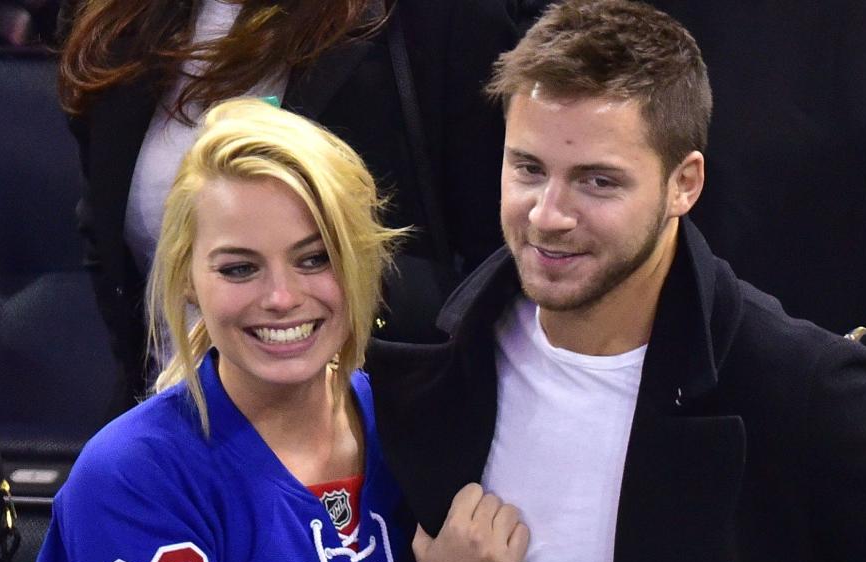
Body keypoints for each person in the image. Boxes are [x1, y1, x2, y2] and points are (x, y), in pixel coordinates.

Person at [365, 0, 866, 562]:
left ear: (684, 183)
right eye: (527, 168)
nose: (549, 213)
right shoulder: (429, 358)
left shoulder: (791, 384)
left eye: (598, 181)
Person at [0, 99, 529, 562]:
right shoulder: (129, 476)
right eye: (240, 268)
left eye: (315, 258)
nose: (281, 297)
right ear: (187, 278)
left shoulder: (412, 418)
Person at [55, 0, 545, 410]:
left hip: (385, 448)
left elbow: (501, 261)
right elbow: (105, 234)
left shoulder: (438, 19)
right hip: (176, 437)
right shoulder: (111, 19)